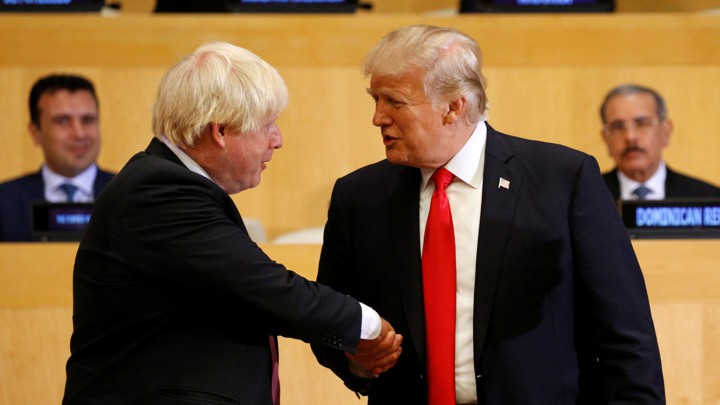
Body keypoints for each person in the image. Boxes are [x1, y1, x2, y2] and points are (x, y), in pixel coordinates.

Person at [311, 25, 665, 404]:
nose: (378, 118)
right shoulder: (359, 197)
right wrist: (358, 362)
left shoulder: (562, 180)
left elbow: (625, 333)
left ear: (453, 106)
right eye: (375, 99)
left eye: (394, 102)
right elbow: (329, 322)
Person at [62, 41, 402, 404]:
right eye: (268, 125)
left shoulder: (169, 185)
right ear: (220, 130)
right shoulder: (160, 191)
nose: (278, 140)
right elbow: (264, 288)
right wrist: (366, 324)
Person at [0, 74, 114, 241]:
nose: (79, 134)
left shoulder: (131, 196)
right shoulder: (4, 202)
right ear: (35, 132)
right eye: (63, 121)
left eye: (87, 120)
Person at [600, 83, 720, 201]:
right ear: (605, 138)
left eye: (642, 123)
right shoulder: (586, 197)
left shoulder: (710, 199)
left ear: (666, 132)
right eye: (618, 126)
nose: (630, 136)